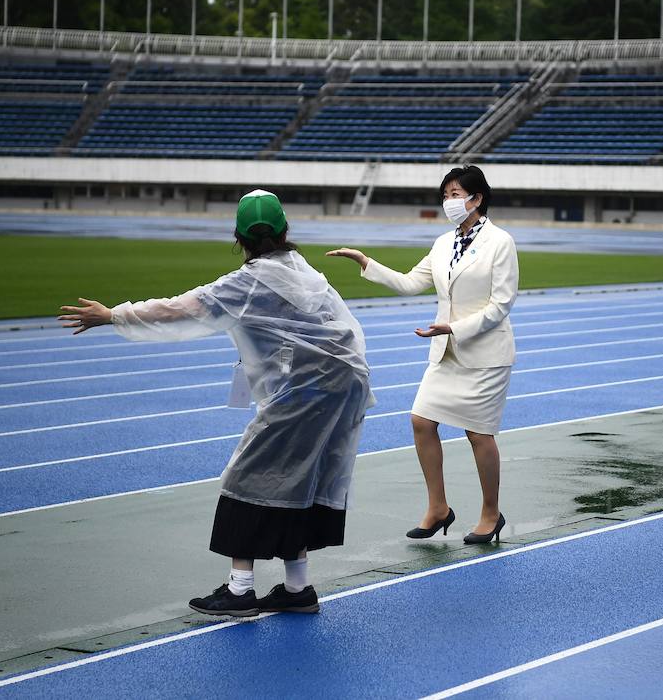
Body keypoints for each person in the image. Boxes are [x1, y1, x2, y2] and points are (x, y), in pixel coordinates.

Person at [59, 190, 374, 618]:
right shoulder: (305, 272)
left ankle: (240, 590)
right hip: (346, 384)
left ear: (239, 237)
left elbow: (178, 309)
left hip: (305, 390)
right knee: (304, 480)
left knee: (244, 479)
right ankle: (297, 587)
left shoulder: (245, 282)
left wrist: (114, 315)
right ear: (285, 232)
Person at [327, 164, 518, 544]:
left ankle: (490, 513)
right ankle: (438, 508)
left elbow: (501, 304)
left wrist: (454, 327)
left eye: (456, 194)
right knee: (421, 420)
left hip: (484, 354)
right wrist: (366, 263)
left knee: (478, 434)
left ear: (477, 199)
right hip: (446, 352)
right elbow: (412, 282)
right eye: (445, 195)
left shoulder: (501, 242)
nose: (449, 201)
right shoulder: (443, 243)